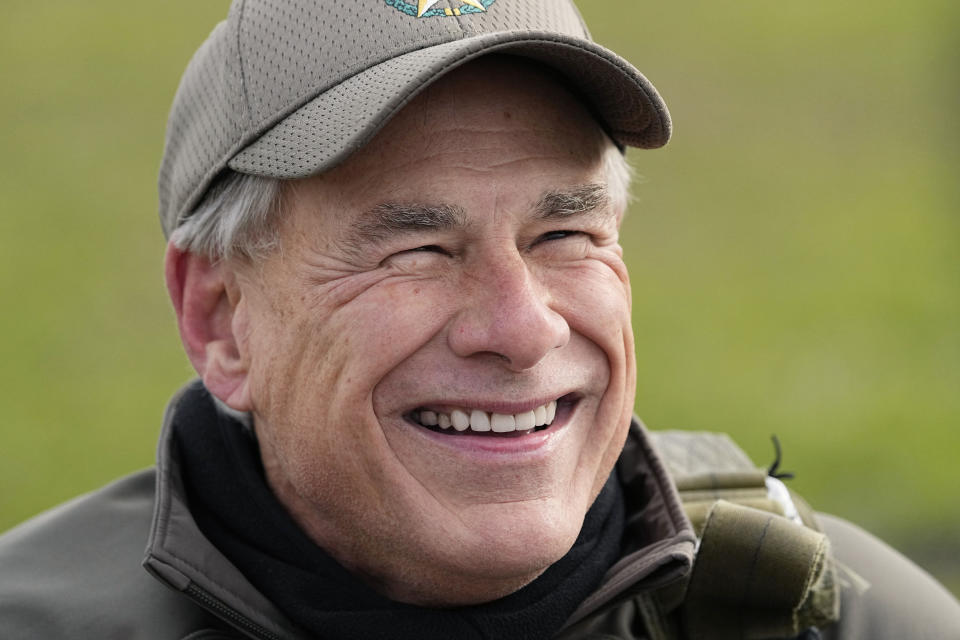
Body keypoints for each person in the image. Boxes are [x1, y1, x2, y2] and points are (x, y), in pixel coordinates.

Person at [1, 1, 957, 638]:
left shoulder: (838, 616)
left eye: (566, 233)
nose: (522, 327)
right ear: (220, 318)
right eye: (416, 251)